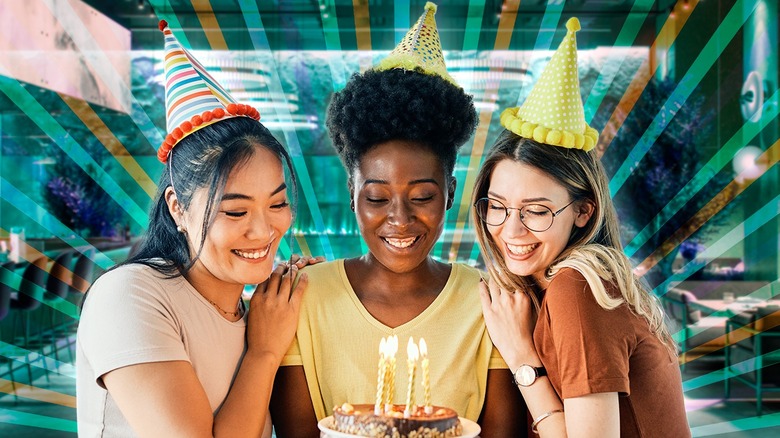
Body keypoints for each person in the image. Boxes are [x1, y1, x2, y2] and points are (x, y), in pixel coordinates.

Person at [269, 3, 526, 437]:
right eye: (377, 197)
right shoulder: (304, 300)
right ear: (353, 197)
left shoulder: (487, 303)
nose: (400, 219)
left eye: (422, 195)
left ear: (449, 194)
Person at [76, 21, 317, 437]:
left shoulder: (251, 309)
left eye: (277, 203)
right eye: (235, 212)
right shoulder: (131, 296)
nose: (263, 230)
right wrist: (264, 351)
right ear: (177, 208)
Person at [472, 18, 690, 437]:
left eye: (536, 211)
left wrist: (522, 359)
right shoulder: (551, 284)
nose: (511, 230)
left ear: (584, 211)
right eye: (497, 207)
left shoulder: (578, 288)